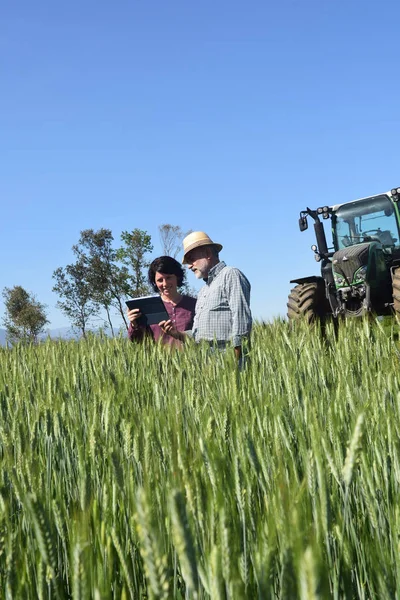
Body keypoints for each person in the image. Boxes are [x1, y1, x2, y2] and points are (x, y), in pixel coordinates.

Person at [160, 232, 252, 365]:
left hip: (227, 360)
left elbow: (241, 320)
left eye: (191, 259)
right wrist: (176, 333)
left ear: (208, 253)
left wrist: (236, 361)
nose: (189, 266)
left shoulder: (230, 275)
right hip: (206, 363)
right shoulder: (203, 290)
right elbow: (198, 337)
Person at [127, 256, 196, 347]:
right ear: (154, 282)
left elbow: (201, 337)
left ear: (177, 277)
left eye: (169, 278)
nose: (165, 284)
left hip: (190, 360)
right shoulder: (147, 307)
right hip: (157, 360)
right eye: (160, 280)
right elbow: (136, 341)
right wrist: (134, 324)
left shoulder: (195, 304)